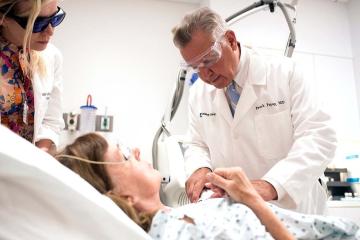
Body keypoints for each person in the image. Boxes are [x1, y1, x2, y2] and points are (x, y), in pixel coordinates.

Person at [171, 7, 337, 214]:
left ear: (231, 40)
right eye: (196, 66)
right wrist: (199, 168)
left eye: (209, 59)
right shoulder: (199, 93)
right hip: (238, 214)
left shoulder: (284, 73)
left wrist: (272, 185)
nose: (205, 74)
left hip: (293, 208)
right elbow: (197, 143)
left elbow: (319, 136)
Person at [56, 133, 359, 240]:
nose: (136, 151)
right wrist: (253, 200)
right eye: (124, 156)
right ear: (122, 196)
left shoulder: (184, 217)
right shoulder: (178, 230)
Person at [0, 0, 65, 154]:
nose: (50, 31)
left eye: (55, 18)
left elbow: (51, 120)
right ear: (3, 18)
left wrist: (39, 155)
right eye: (38, 23)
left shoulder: (51, 56)